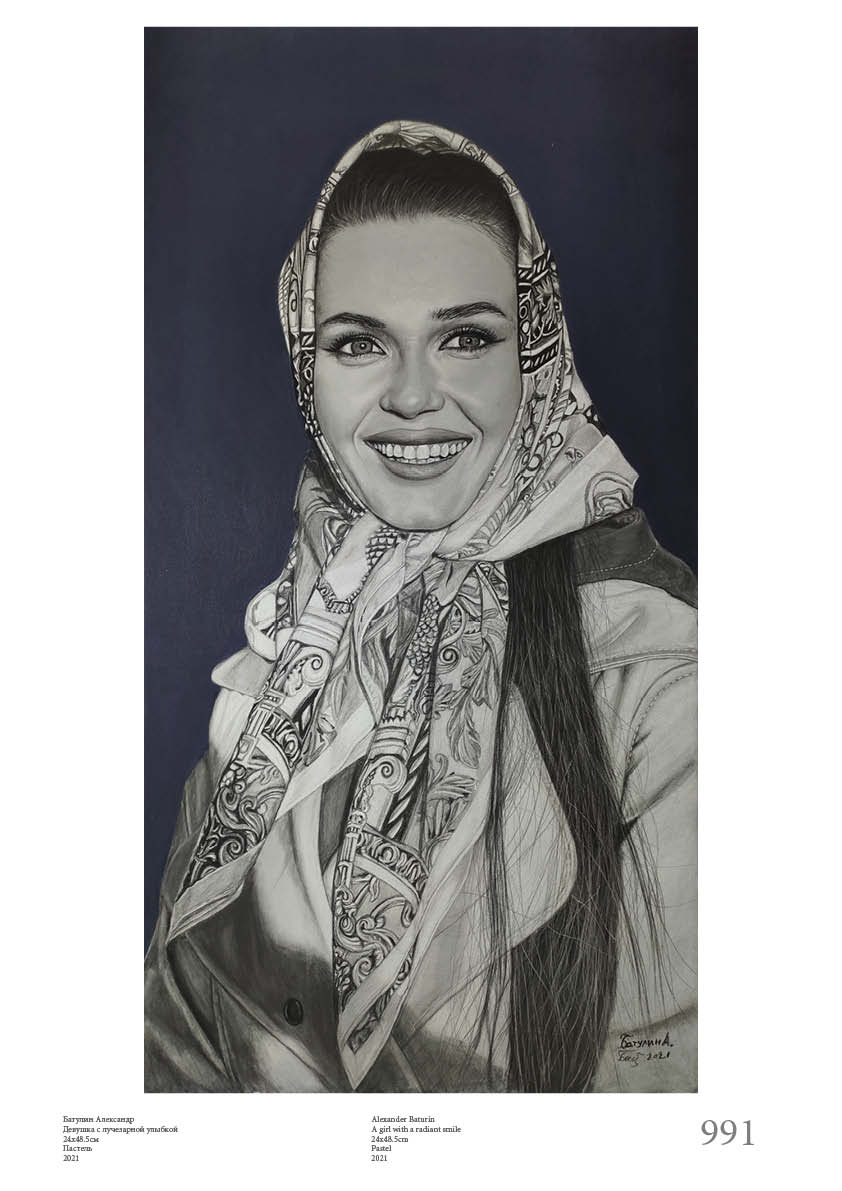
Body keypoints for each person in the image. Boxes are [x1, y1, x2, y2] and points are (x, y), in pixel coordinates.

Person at [145, 119, 697, 1094]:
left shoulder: (669, 690)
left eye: (465, 338)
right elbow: (170, 1042)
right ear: (307, 368)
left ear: (534, 357)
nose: (410, 395)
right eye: (358, 343)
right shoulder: (278, 665)